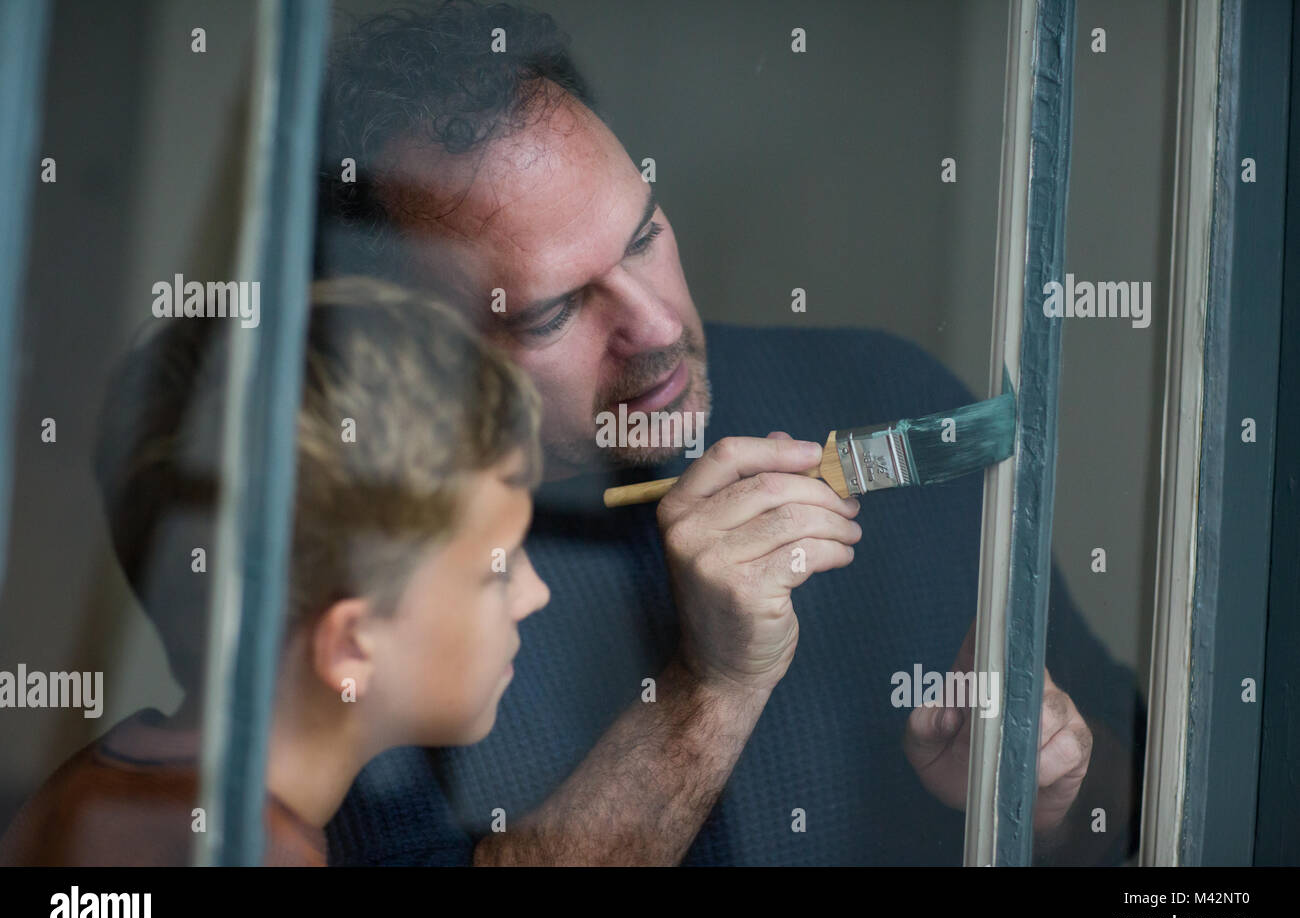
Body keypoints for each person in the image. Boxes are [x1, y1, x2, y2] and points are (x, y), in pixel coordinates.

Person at [317, 1, 1144, 865]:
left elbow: (1138, 788)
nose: (655, 328)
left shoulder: (882, 390)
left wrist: (1050, 794)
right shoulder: (359, 573)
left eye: (643, 238)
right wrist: (711, 690)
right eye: (554, 311)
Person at [0, 277, 550, 866]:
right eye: (500, 569)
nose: (536, 593)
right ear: (351, 646)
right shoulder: (241, 852)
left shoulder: (96, 794)